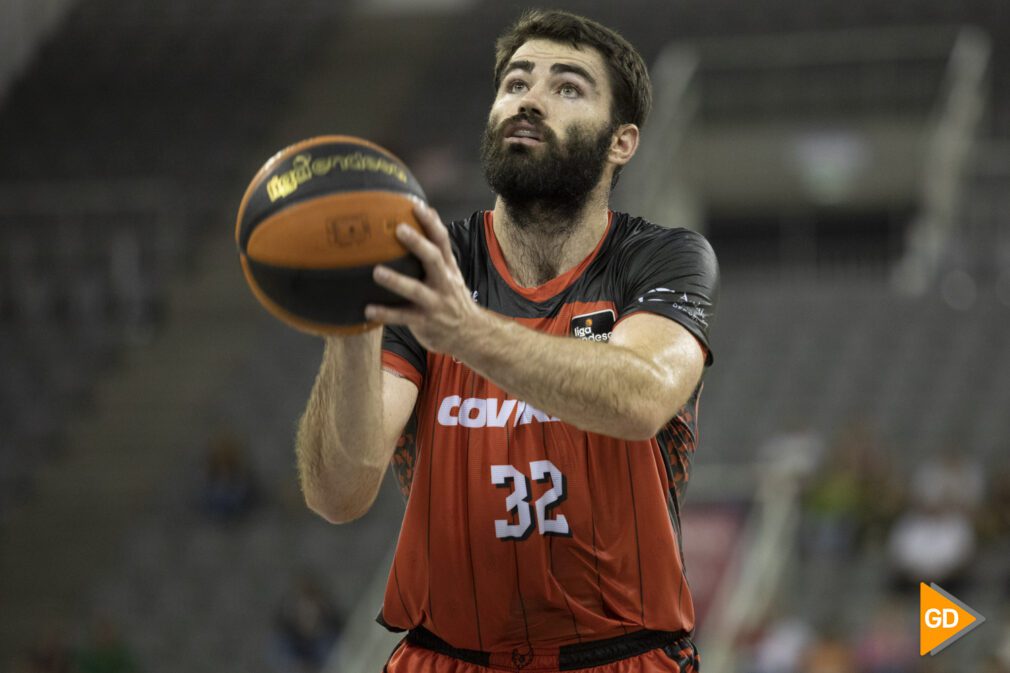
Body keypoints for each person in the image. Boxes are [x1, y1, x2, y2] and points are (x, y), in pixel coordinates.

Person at [295, 9, 719, 673]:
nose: (530, 97)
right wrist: (350, 322)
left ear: (622, 142)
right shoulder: (430, 264)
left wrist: (464, 331)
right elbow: (338, 492)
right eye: (516, 82)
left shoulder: (661, 258)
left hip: (623, 657)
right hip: (445, 656)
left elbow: (642, 396)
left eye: (568, 87)